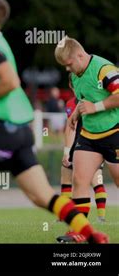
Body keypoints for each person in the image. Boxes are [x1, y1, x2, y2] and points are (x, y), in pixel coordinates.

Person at [0, 0, 108, 244]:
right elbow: (1, 75)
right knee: (43, 196)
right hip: (20, 130)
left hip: (0, 129)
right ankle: (93, 236)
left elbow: (10, 81)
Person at [54, 36, 118, 242]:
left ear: (80, 55)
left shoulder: (104, 69)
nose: (67, 69)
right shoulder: (75, 75)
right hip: (89, 136)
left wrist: (96, 107)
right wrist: (76, 114)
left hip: (114, 133)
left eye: (69, 64)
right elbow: (83, 100)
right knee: (79, 180)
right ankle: (79, 231)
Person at [60, 74, 107, 223]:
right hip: (80, 146)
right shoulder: (72, 103)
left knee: (96, 180)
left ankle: (101, 217)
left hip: (92, 146)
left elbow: (70, 128)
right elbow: (70, 128)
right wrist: (68, 151)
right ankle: (68, 217)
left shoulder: (90, 100)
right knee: (68, 179)